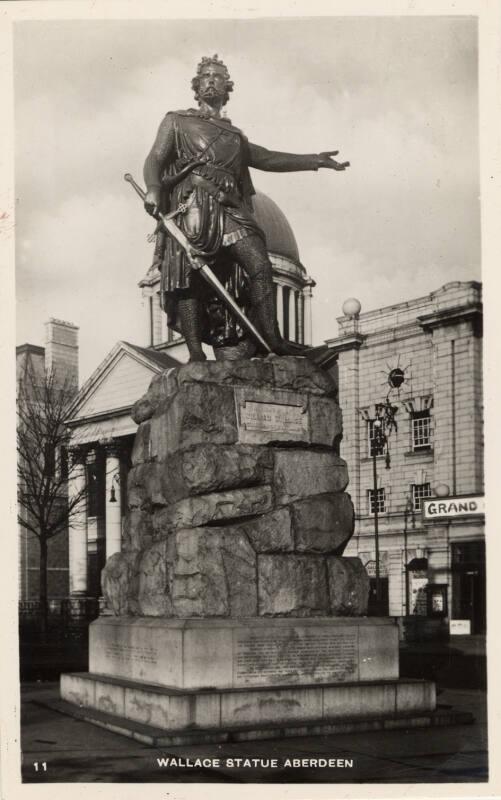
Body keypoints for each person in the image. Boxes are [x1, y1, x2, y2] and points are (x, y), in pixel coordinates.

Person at [144, 54, 349, 362]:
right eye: (205, 77)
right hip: (193, 204)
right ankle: (197, 353)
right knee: (191, 277)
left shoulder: (234, 136)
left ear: (228, 88)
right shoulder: (177, 121)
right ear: (196, 87)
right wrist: (154, 189)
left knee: (259, 265)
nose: (211, 81)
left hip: (229, 206)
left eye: (218, 77)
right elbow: (154, 160)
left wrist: (314, 160)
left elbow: (267, 158)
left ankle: (272, 338)